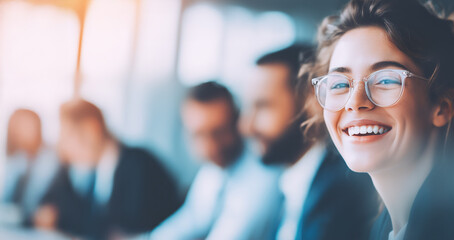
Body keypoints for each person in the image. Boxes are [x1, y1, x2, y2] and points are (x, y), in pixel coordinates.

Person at [299, 0, 454, 239]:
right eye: (339, 84)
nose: (355, 101)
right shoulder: (387, 227)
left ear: (442, 107)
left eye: (386, 80)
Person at [240, 46, 378, 240]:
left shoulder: (341, 192)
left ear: (311, 101)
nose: (246, 126)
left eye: (263, 106)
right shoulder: (288, 184)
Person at [148, 81, 282, 240]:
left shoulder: (263, 171)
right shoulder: (213, 169)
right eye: (198, 135)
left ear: (238, 123)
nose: (210, 147)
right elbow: (193, 218)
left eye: (218, 133)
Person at [35, 99, 181, 239]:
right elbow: (51, 206)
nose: (62, 149)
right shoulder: (90, 170)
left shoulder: (139, 166)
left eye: (66, 137)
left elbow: (124, 229)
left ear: (91, 129)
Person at [1, 109, 59, 225]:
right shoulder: (16, 160)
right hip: (13, 225)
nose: (21, 132)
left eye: (27, 126)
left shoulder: (55, 159)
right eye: (17, 128)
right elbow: (5, 200)